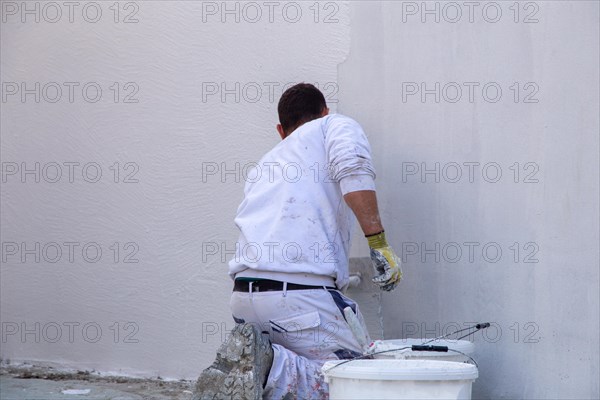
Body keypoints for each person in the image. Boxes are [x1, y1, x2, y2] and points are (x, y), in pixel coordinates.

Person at [194, 83, 402, 399]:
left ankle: (260, 367)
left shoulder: (265, 163)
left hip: (245, 300)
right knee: (357, 385)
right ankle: (270, 369)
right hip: (301, 300)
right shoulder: (334, 125)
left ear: (281, 129)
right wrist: (379, 244)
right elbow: (354, 170)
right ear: (324, 112)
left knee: (303, 388)